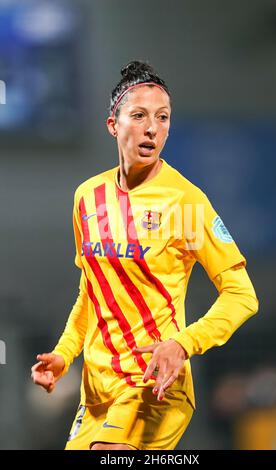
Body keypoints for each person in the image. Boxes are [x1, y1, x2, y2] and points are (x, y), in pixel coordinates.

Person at [31, 60, 259, 451]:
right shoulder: (87, 197)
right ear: (112, 125)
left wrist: (183, 344)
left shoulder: (185, 202)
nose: (152, 128)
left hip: (154, 385)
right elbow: (92, 293)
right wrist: (64, 354)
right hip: (97, 394)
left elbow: (242, 296)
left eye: (163, 117)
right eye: (138, 115)